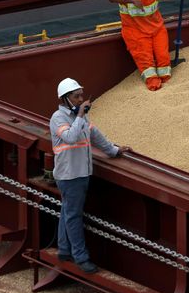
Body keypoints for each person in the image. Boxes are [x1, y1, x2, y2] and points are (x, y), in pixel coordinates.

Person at [50, 78, 133, 274]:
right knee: (73, 216)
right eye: (76, 96)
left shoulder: (81, 119)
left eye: (81, 95)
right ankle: (81, 258)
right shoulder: (58, 118)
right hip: (70, 176)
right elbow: (70, 138)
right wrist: (79, 115)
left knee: (68, 212)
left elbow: (95, 135)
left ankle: (63, 250)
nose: (81, 99)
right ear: (65, 99)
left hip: (80, 173)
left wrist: (114, 150)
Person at [107, 0, 185, 91]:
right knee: (147, 66)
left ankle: (164, 79)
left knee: (164, 64)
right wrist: (132, 0)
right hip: (134, 31)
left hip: (156, 27)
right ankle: (153, 82)